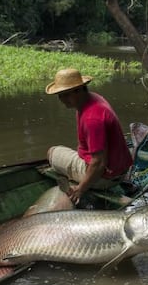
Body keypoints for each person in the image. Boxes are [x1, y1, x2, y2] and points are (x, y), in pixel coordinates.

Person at [45, 68, 133, 205]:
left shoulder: (92, 119)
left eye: (65, 95)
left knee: (52, 152)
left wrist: (80, 189)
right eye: (60, 95)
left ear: (79, 90)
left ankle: (81, 183)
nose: (61, 100)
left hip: (105, 178)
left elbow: (98, 163)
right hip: (119, 170)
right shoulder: (94, 97)